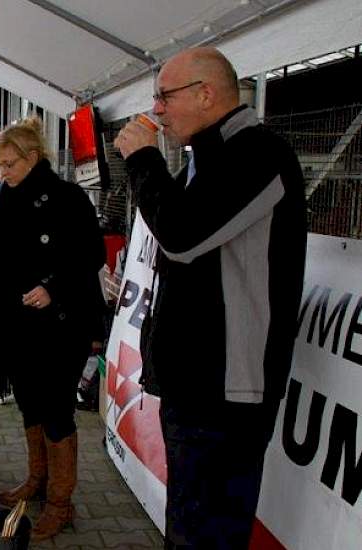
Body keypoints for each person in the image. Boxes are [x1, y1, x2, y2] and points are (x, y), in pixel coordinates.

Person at [114, 47, 306, 548]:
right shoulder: (207, 158)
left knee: (208, 534)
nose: (157, 109)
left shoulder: (260, 155)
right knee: (189, 529)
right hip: (194, 385)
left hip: (228, 392)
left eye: (165, 96)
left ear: (206, 93)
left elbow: (182, 234)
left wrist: (143, 160)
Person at [0, 117, 106, 541]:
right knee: (32, 405)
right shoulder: (7, 201)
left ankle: (61, 502)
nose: (1, 172)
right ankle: (37, 480)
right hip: (16, 327)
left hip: (58, 327)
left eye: (8, 163)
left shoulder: (67, 198)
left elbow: (90, 254)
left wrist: (53, 288)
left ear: (32, 157)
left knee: (56, 411)